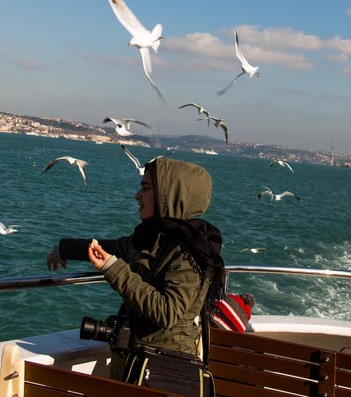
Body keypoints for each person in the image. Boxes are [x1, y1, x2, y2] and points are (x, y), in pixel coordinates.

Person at [47, 157, 224, 397]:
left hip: (163, 375)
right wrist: (64, 248)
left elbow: (167, 312)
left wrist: (112, 268)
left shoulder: (190, 252)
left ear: (169, 195)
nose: (137, 195)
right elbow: (107, 248)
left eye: (147, 188)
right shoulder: (150, 238)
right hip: (135, 369)